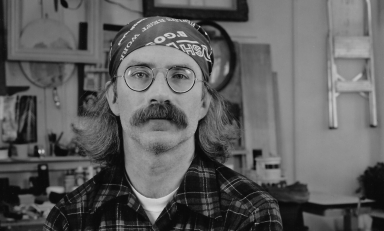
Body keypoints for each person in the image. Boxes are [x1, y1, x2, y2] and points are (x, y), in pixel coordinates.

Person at [44, 16, 282, 231]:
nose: (159, 93)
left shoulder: (251, 212)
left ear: (203, 102)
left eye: (179, 76)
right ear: (114, 98)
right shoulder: (69, 219)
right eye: (139, 74)